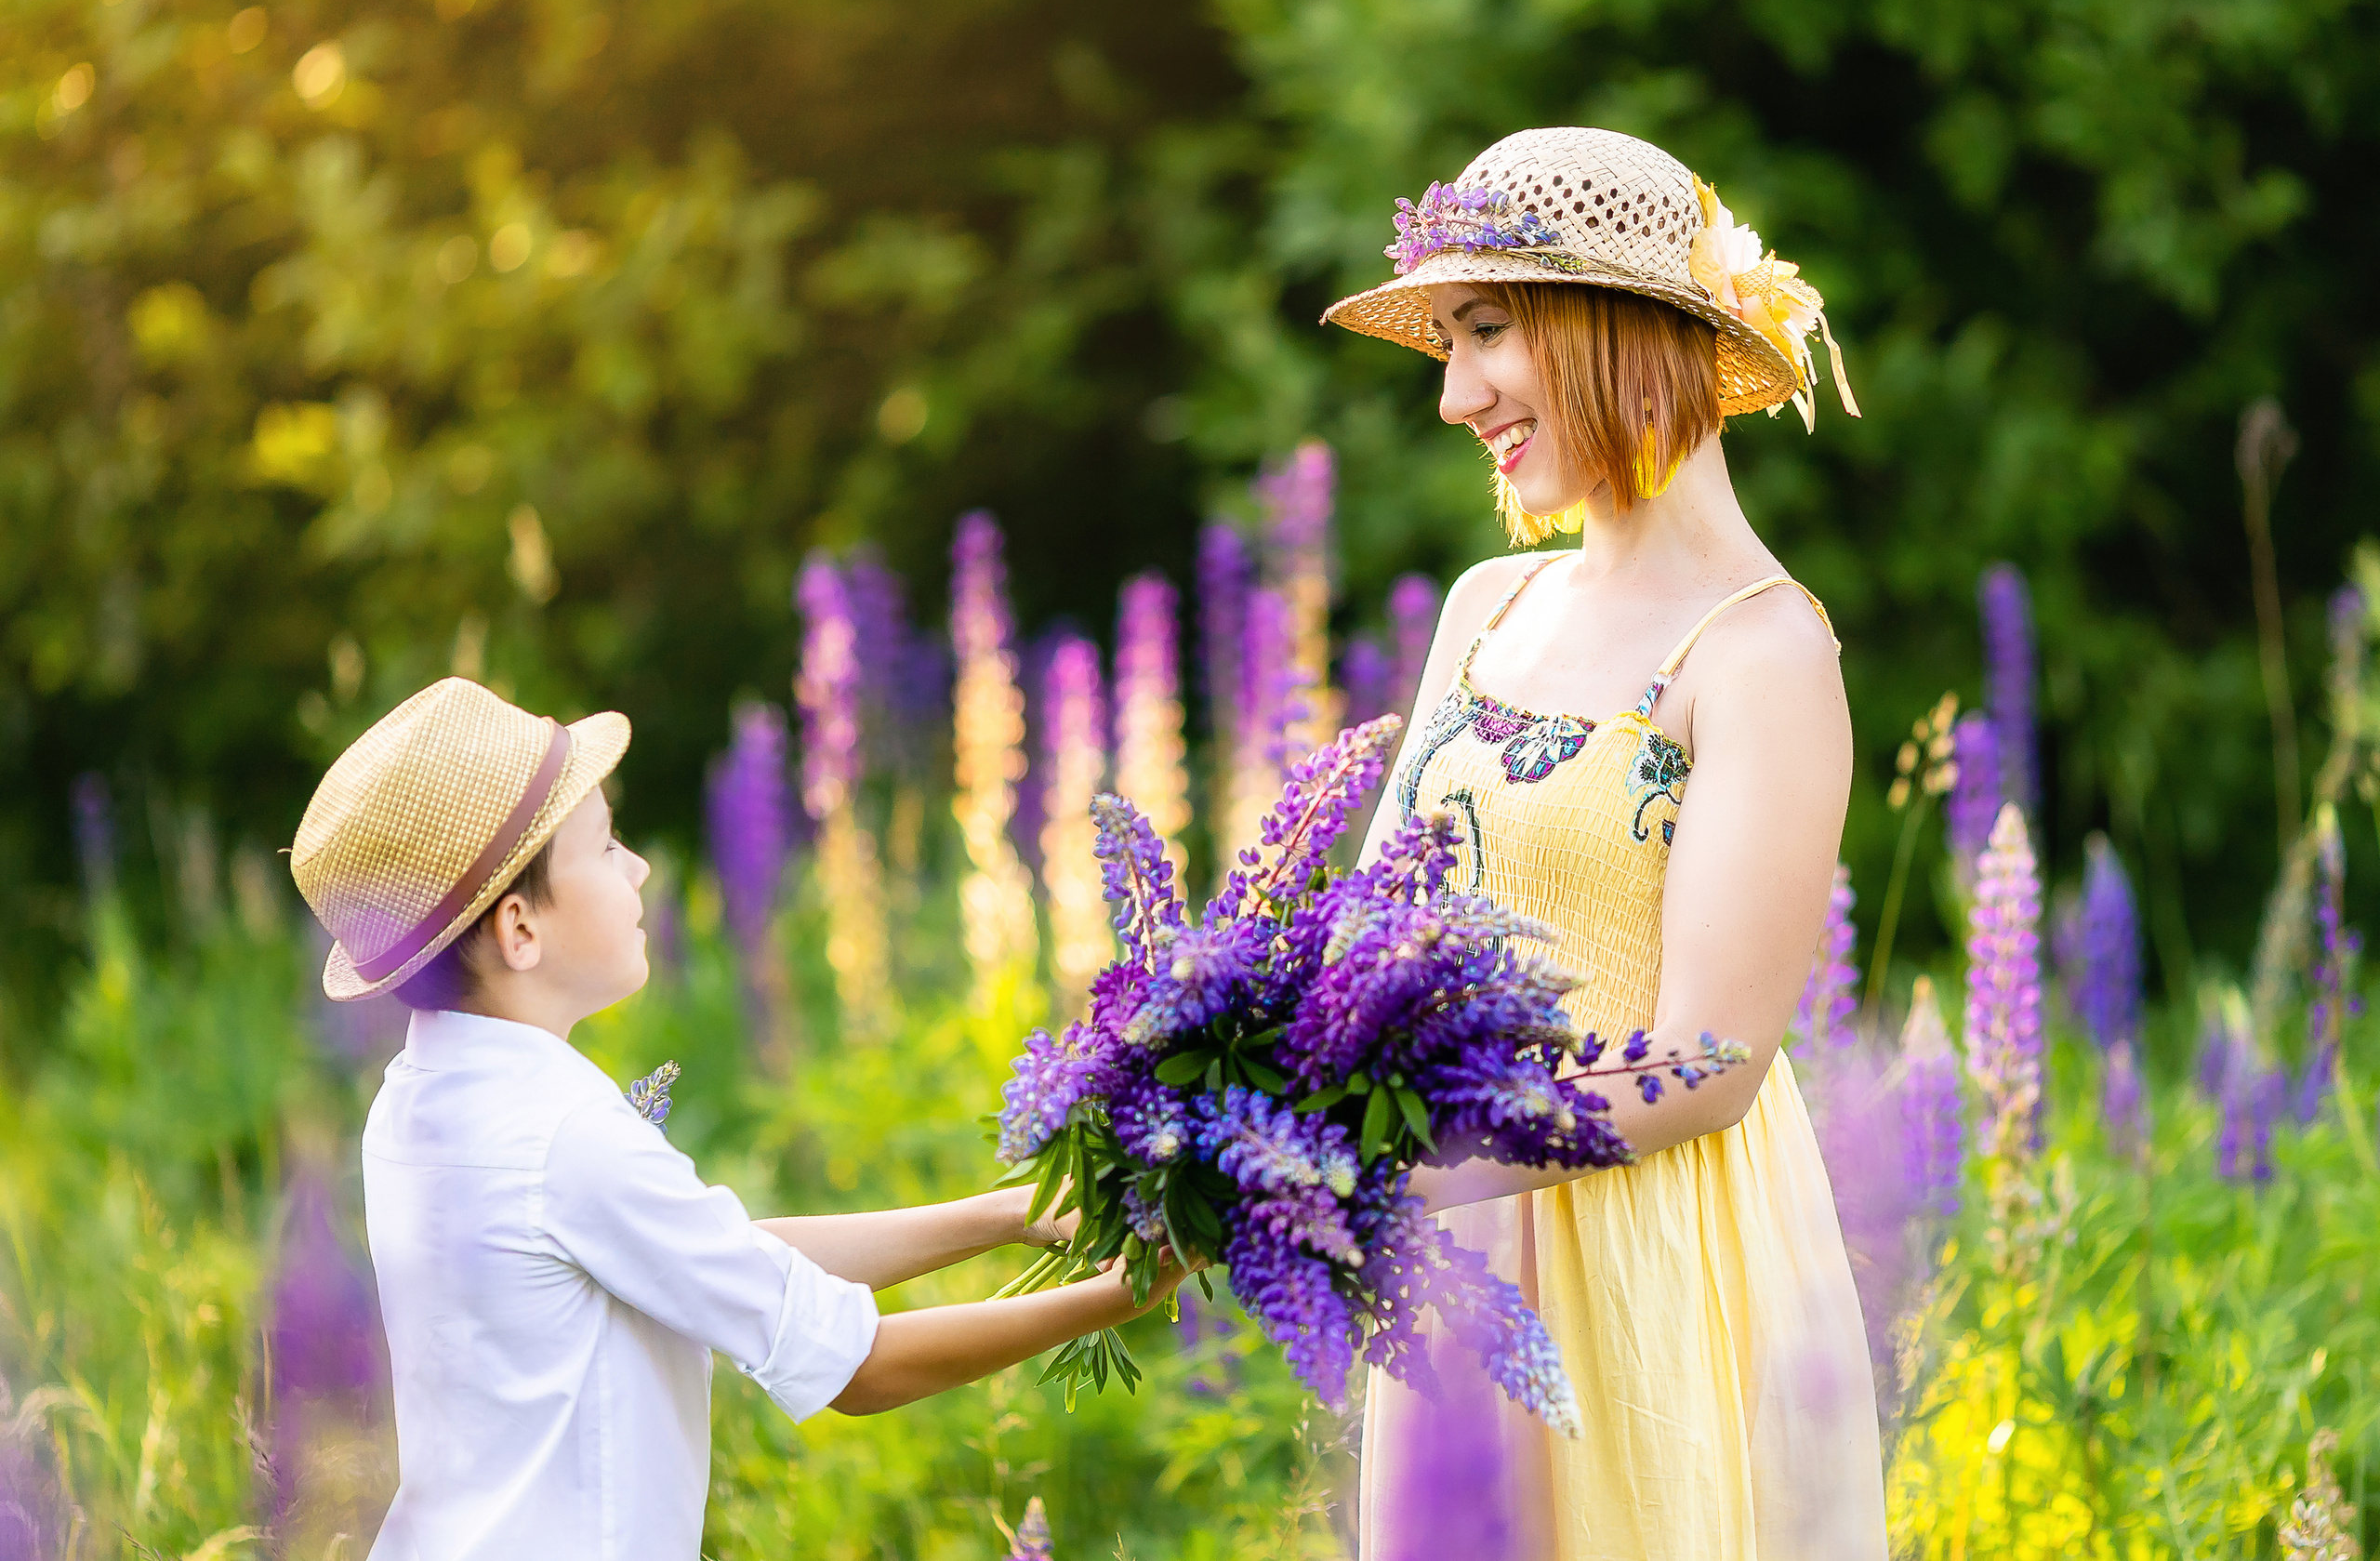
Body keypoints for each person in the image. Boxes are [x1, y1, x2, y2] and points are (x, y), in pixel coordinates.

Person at [1322, 127, 1886, 1557]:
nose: (1454, 396)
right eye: (1446, 342)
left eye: (1488, 328)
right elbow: (1357, 940)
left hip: (1658, 1273)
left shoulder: (1762, 649)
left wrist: (1395, 1157)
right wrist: (1240, 1089)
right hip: (1462, 1278)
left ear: (1616, 323)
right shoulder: (1485, 603)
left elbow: (1708, 1062)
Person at [288, 677, 1183, 1561]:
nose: (637, 868)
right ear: (520, 928)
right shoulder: (563, 1136)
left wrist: (1008, 1216)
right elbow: (861, 1370)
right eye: (603, 847)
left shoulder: (415, 1100)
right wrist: (1118, 1296)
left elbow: (708, 1252)